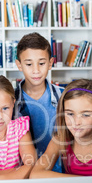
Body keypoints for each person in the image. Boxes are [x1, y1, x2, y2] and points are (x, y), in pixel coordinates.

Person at [14, 32, 64, 173]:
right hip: (24, 173)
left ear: (50, 63)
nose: (36, 70)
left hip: (60, 172)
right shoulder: (10, 100)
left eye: (41, 63)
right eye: (29, 64)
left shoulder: (64, 96)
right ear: (19, 65)